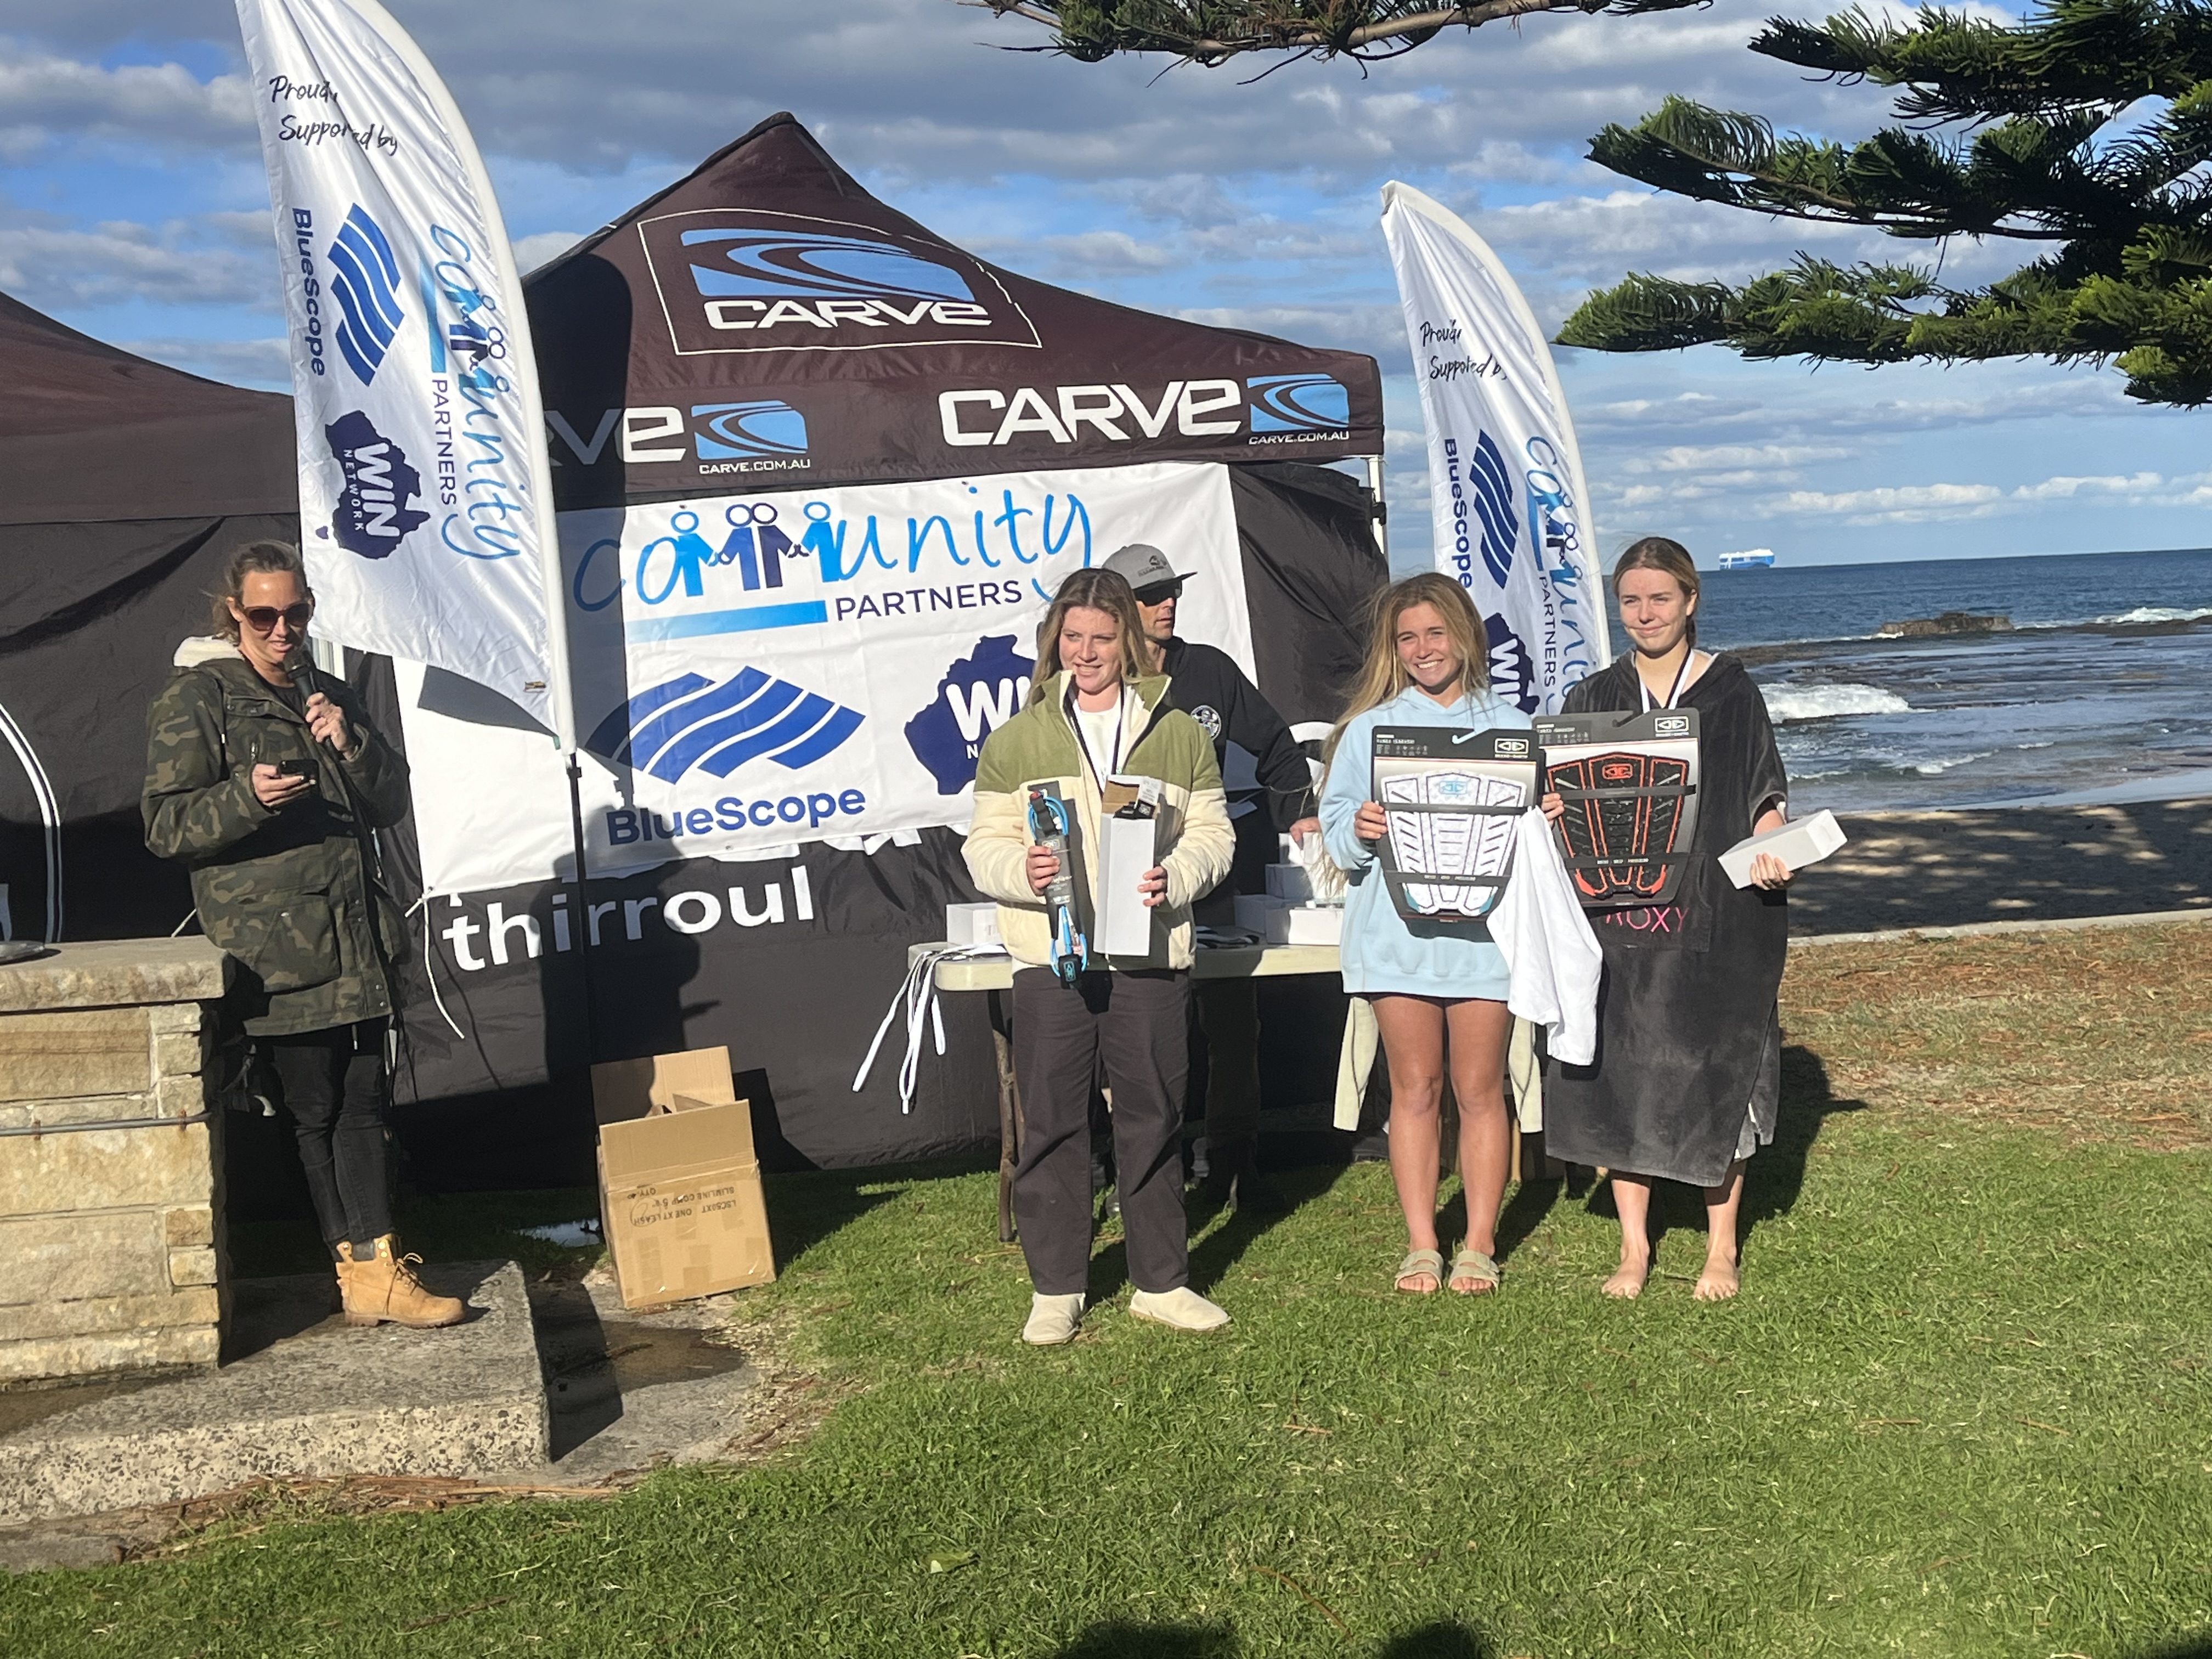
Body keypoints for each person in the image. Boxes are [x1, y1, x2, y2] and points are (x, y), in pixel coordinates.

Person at [142, 540, 461, 1330]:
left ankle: (378, 1267)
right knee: (314, 1108)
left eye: (296, 613)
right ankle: (355, 1266)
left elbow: (390, 801)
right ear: (234, 615)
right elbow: (166, 826)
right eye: (264, 615)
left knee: (364, 1102)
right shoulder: (198, 699)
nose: (282, 629)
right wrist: (246, 797)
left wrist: (349, 744)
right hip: (281, 952)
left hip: (357, 940)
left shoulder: (329, 689)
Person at [963, 567, 1237, 1345]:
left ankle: (1161, 1281)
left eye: (1103, 638)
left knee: (1152, 1114)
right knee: (1051, 1118)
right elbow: (983, 845)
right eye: (1073, 638)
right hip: (1053, 959)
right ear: (1056, 643)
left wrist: (1174, 876)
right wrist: (1023, 871)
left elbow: (1214, 835)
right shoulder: (1017, 739)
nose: (1087, 653)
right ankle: (1058, 1287)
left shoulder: (1178, 732)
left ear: (1130, 640)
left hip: (1148, 956)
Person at [1538, 537, 1791, 1302]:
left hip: (1715, 911)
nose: (1645, 614)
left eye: (1660, 598)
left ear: (1690, 601)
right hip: (1617, 916)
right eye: (1631, 600)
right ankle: (1634, 1248)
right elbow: (1559, 799)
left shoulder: (1730, 689)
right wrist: (1553, 810)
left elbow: (1762, 785)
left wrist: (1774, 830)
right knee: (1626, 1071)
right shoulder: (1591, 698)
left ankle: (1721, 1250)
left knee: (1720, 1059)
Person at [1318, 573, 1530, 1296]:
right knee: (1414, 1088)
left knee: (1479, 1089)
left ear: (1466, 635)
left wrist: (1550, 817)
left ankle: (1477, 1242)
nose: (1422, 649)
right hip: (1395, 939)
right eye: (1407, 637)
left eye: (1436, 633)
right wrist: (1361, 826)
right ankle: (1420, 1244)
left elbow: (1537, 847)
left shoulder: (1513, 728)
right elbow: (1339, 844)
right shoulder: (1369, 732)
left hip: (1487, 939)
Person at [1100, 541, 1321, 1214]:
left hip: (1212, 873)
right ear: (1119, 606)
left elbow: (1280, 750)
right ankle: (1134, 1169)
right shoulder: (1100, 678)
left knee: (1232, 1024)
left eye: (1172, 590)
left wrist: (1301, 818)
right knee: (1134, 1030)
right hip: (1128, 881)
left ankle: (1235, 1162)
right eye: (1150, 595)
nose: (1167, 602)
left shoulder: (1211, 671)